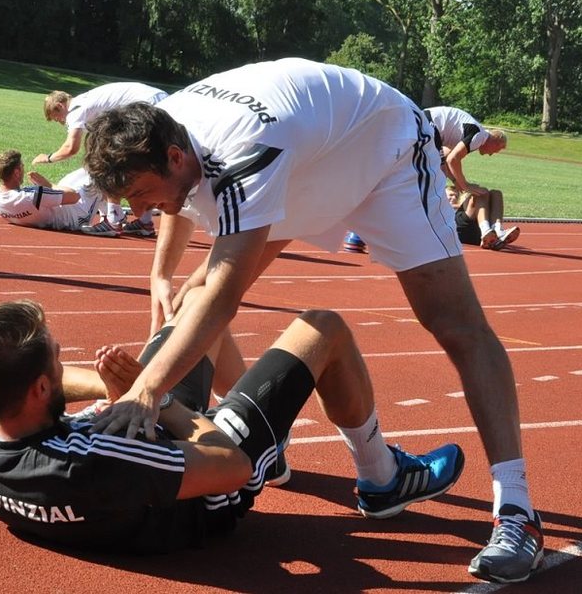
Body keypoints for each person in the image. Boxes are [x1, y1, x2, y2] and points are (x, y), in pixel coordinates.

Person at [83, 58, 544, 583]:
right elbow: (177, 211)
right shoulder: (165, 127)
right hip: (310, 158)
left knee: (456, 325)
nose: (140, 212)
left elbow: (223, 298)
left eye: (141, 196)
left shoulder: (242, 151)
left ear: (174, 156)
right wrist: (160, 276)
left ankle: (518, 513)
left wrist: (146, 391)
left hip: (382, 150)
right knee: (191, 296)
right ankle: (355, 469)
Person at [0, 297, 465, 555]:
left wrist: (132, 389)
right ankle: (381, 478)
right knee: (322, 327)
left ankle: (271, 443)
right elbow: (229, 466)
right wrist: (158, 398)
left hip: (138, 459)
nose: (62, 362)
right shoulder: (96, 465)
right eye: (56, 360)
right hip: (206, 485)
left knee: (199, 315)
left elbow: (21, 393)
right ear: (38, 390)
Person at [33, 82, 169, 237]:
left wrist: (48, 158)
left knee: (107, 163)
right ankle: (144, 222)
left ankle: (113, 220)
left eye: (57, 118)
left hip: (147, 108)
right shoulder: (86, 101)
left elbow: (71, 148)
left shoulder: (75, 111)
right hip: (160, 103)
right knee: (141, 166)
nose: (60, 122)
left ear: (60, 106)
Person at [423, 106, 518, 249]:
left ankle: (497, 229)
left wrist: (457, 181)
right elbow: (452, 160)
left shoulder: (460, 137)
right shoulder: (479, 136)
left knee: (493, 193)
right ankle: (485, 230)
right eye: (496, 150)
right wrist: (465, 185)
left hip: (430, 122)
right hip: (428, 122)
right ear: (495, 140)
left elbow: (445, 161)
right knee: (476, 192)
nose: (491, 154)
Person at [0, 149, 108, 235]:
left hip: (58, 209)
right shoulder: (33, 196)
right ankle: (110, 218)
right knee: (101, 173)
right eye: (22, 166)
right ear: (16, 172)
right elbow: (74, 196)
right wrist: (48, 185)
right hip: (76, 217)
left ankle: (106, 212)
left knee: (89, 168)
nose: (24, 168)